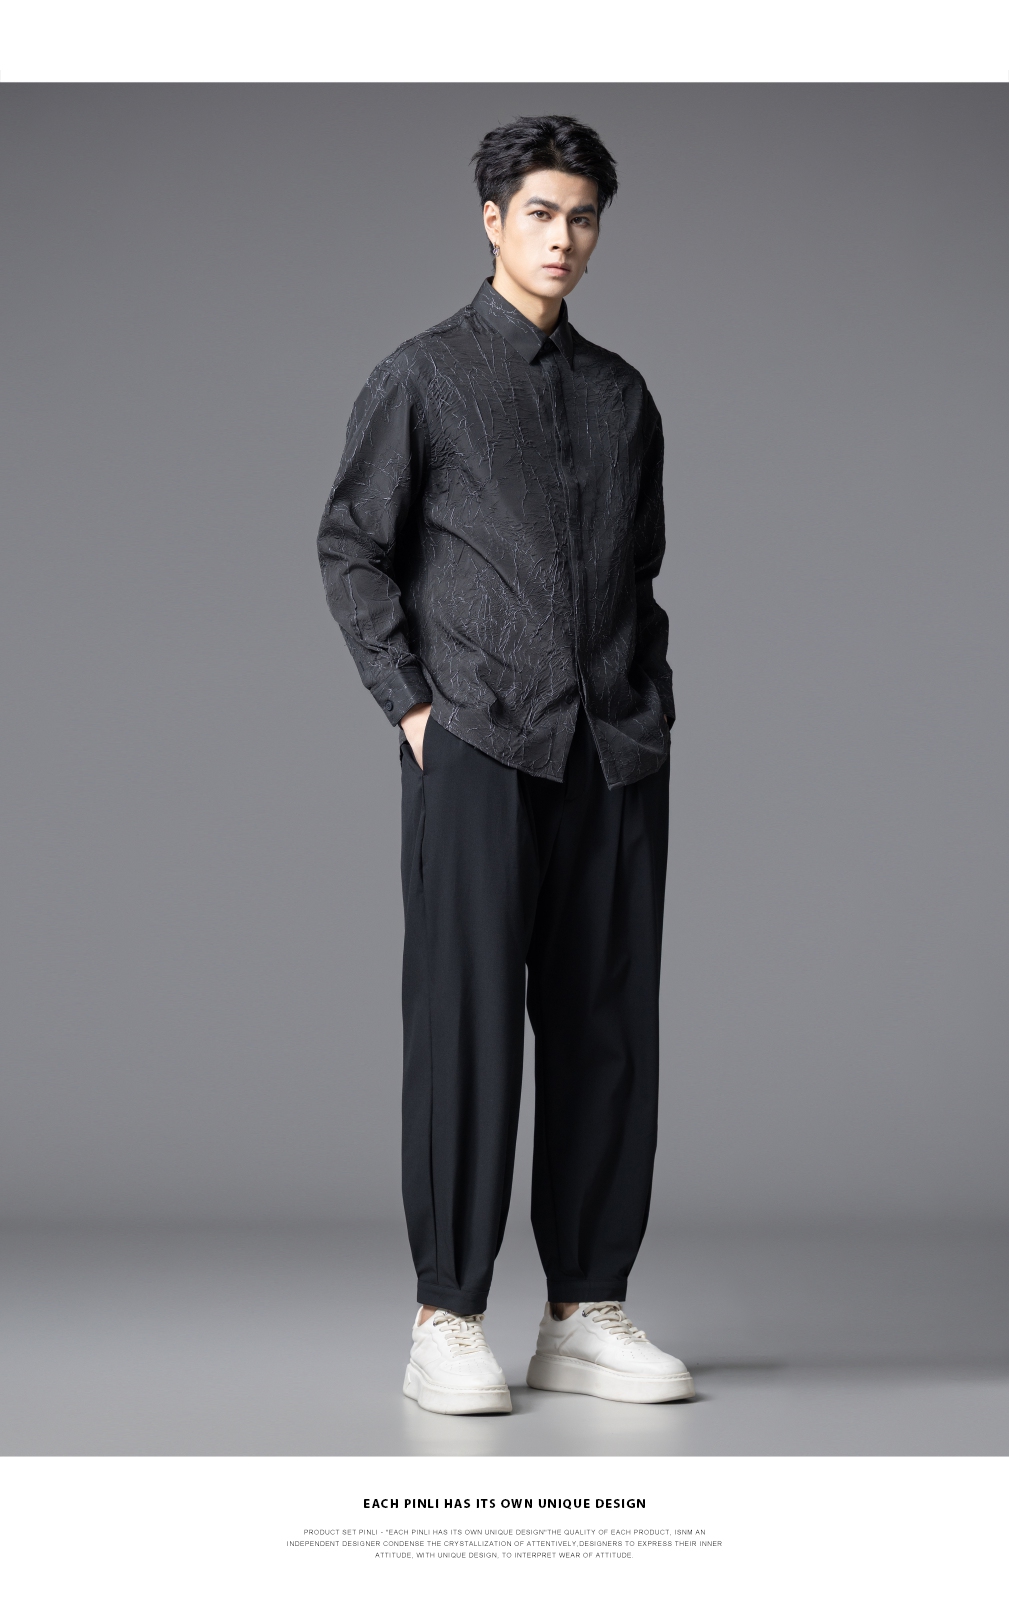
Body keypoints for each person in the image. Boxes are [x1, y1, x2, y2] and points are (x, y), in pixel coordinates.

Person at [317, 115, 694, 1415]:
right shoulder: (422, 376)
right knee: (466, 1028)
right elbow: (351, 546)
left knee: (606, 1030)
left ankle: (586, 1310)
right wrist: (412, 708)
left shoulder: (622, 396)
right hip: (476, 740)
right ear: (492, 219)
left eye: (583, 216)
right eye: (541, 212)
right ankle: (447, 1317)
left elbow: (641, 571)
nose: (564, 238)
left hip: (613, 749)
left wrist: (648, 705)